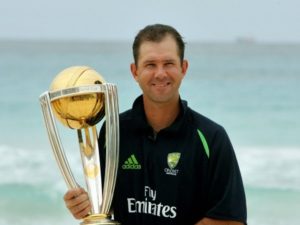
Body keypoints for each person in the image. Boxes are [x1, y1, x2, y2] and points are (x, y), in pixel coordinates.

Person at [64, 24, 247, 225]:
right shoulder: (113, 132)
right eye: (150, 64)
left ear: (183, 68)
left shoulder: (210, 137)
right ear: (135, 71)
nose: (160, 74)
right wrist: (84, 205)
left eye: (168, 63)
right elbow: (103, 206)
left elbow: (231, 220)